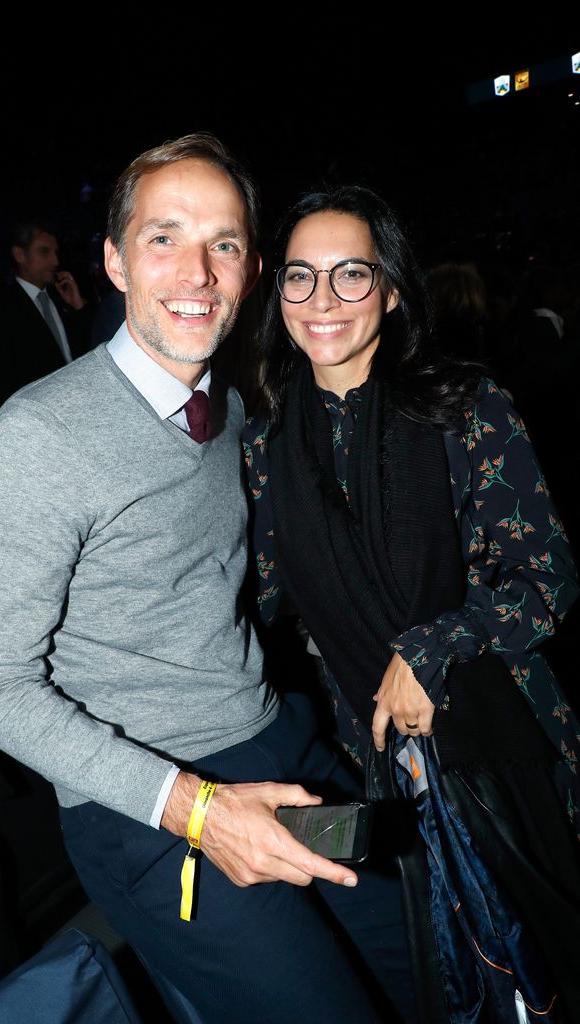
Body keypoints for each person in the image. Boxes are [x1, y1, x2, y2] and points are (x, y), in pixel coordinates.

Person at [0, 137, 417, 1024]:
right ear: (113, 261)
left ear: (250, 272)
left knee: (427, 960)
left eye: (226, 243)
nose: (198, 272)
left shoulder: (231, 405)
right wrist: (197, 810)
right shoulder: (39, 438)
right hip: (151, 803)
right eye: (164, 237)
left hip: (280, 748)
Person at [243, 184, 580, 1021]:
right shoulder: (264, 445)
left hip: (506, 746)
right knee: (461, 981)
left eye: (351, 274)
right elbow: (273, 606)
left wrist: (429, 651)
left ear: (391, 290)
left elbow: (551, 584)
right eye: (300, 277)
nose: (323, 301)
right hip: (384, 770)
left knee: (551, 960)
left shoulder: (466, 406)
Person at [0, 220, 92, 408]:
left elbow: (90, 349)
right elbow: (1, 380)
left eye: (55, 253)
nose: (55, 261)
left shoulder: (62, 296)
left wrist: (79, 307)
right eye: (44, 252)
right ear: (19, 254)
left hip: (81, 403)